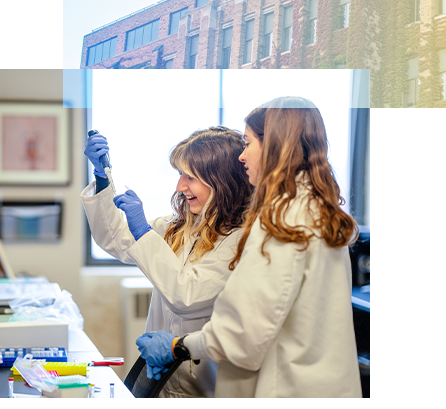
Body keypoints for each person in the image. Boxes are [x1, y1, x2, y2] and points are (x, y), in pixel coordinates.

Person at [136, 97, 363, 398]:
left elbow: (241, 334)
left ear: (274, 146)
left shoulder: (282, 221)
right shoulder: (317, 211)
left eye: (247, 143)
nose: (241, 156)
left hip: (287, 389)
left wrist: (178, 347)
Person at [81, 126, 253, 398]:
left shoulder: (240, 241)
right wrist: (102, 178)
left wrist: (144, 234)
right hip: (162, 382)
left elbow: (187, 296)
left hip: (205, 389)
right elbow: (115, 240)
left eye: (191, 177)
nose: (180, 186)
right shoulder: (179, 228)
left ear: (223, 181)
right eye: (180, 174)